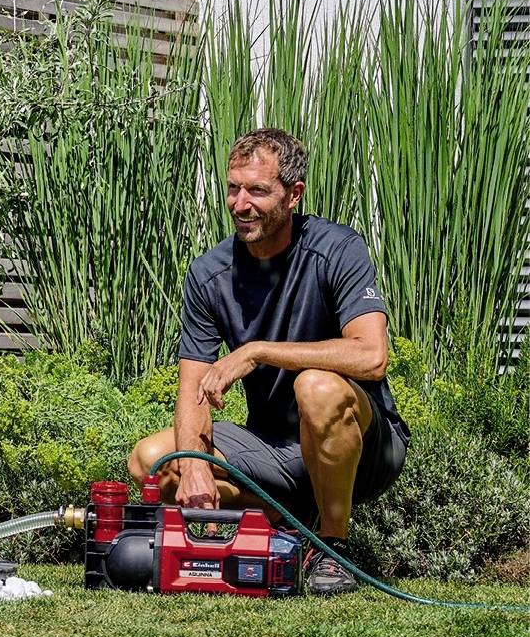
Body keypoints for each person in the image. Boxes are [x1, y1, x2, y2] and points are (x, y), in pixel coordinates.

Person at [127, 127, 409, 596]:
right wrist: (195, 465)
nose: (241, 204)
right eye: (233, 188)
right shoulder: (209, 274)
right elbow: (193, 383)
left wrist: (257, 351)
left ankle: (333, 549)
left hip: (363, 446)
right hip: (273, 451)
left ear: (293, 194)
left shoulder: (336, 249)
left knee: (316, 387)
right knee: (154, 461)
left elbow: (371, 355)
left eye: (258, 190)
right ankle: (281, 523)